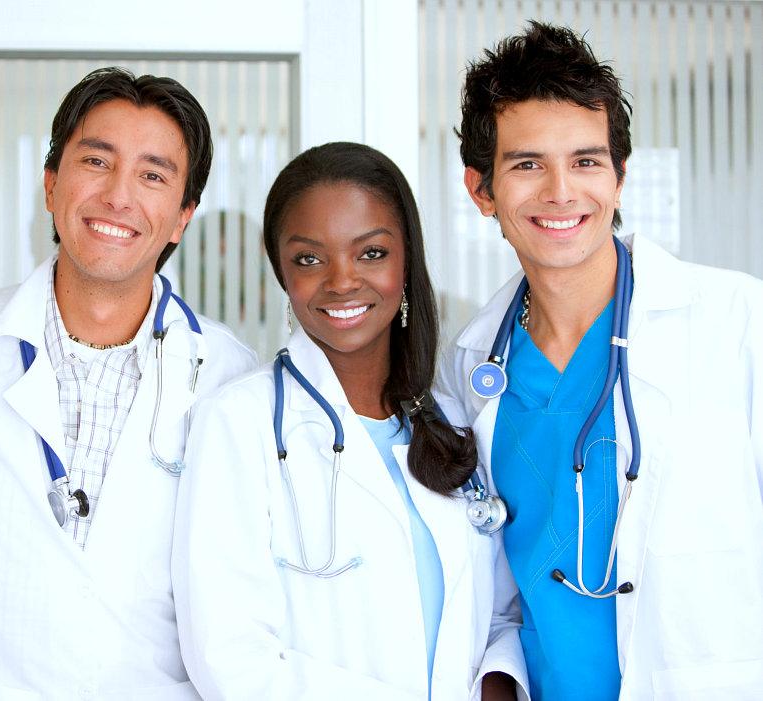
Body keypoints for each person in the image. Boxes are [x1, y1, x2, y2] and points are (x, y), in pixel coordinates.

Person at [0, 67, 256, 699]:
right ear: (51, 184)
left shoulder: (229, 376)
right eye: (97, 161)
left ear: (181, 218)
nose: (119, 196)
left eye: (153, 176)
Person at [436, 21, 763, 700]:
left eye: (585, 161)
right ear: (481, 188)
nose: (561, 191)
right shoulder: (471, 366)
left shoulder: (737, 322)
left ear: (619, 178)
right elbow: (490, 574)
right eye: (527, 164)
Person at [172, 142, 527, 700]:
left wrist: (499, 681)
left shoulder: (454, 422)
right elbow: (230, 656)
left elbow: (502, 614)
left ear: (406, 260)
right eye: (309, 259)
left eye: (371, 253)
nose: (341, 281)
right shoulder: (238, 423)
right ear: (282, 275)